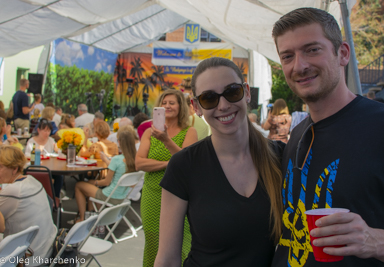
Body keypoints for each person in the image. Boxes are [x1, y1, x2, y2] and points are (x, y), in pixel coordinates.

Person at [271, 7, 384, 267]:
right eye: (288, 56)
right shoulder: (297, 134)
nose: (300, 65)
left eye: (312, 50)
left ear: (342, 53)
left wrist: (374, 240)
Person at [154, 58, 283, 266]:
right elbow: (167, 259)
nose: (223, 105)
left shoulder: (281, 157)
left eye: (232, 92)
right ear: (196, 106)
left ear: (247, 92)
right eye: (209, 98)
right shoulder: (184, 165)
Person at [136, 89, 198, 267]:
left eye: (172, 103)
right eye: (164, 103)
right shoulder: (149, 132)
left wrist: (166, 140)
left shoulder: (189, 132)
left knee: (181, 244)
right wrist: (168, 164)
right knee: (153, 242)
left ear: (181, 107)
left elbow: (187, 164)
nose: (168, 106)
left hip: (179, 196)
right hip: (152, 194)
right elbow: (139, 163)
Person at [0, 146, 57, 264]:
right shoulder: (32, 180)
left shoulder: (13, 191)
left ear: (14, 169)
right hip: (47, 251)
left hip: (26, 259)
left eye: (0, 167)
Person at [74, 128, 137, 223]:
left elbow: (106, 182)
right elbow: (125, 177)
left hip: (110, 196)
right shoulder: (135, 160)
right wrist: (106, 161)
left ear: (119, 142)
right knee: (93, 190)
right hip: (121, 197)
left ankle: (82, 219)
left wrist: (94, 182)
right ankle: (93, 219)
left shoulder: (117, 159)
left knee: (79, 185)